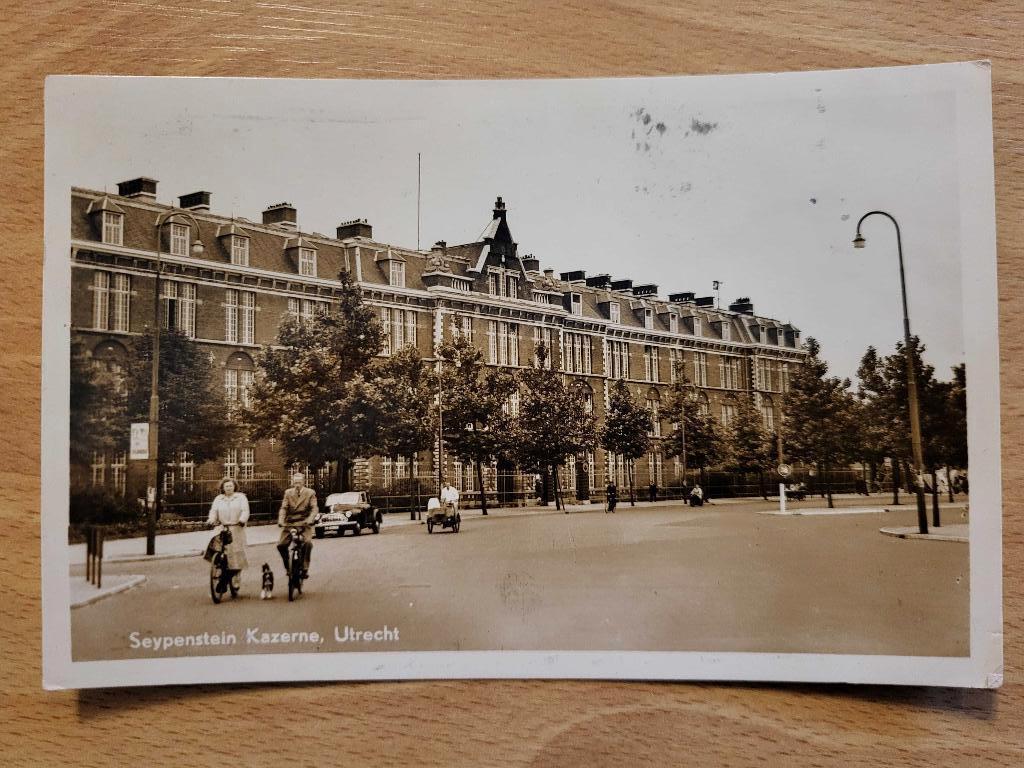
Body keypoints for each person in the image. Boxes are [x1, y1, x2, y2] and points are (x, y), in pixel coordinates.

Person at [207, 478, 250, 592]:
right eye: (226, 486)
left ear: (234, 487)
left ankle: (236, 577)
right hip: (222, 527)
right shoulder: (218, 498)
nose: (229, 488)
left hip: (236, 528)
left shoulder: (241, 497)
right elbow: (213, 511)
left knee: (236, 555)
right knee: (215, 546)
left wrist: (242, 520)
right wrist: (211, 520)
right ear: (223, 488)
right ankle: (218, 565)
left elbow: (245, 511)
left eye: (231, 486)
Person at [277, 473, 318, 579]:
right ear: (293, 482)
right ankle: (288, 566)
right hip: (290, 524)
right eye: (295, 483)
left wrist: (310, 519)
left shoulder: (310, 493)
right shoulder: (288, 493)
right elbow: (284, 508)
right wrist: (281, 520)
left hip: (304, 523)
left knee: (307, 543)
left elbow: (314, 508)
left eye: (299, 482)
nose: (297, 485)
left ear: (303, 482)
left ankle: (304, 568)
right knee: (281, 545)